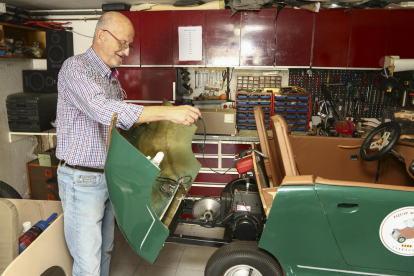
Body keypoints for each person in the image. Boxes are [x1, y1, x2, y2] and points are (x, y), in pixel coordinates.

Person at [55, 11, 201, 276]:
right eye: (123, 43)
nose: (126, 51)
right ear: (101, 35)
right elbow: (104, 111)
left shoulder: (110, 77)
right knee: (87, 262)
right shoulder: (75, 68)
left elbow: (122, 121)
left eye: (129, 46)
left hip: (109, 177)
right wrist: (168, 112)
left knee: (106, 250)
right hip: (82, 180)